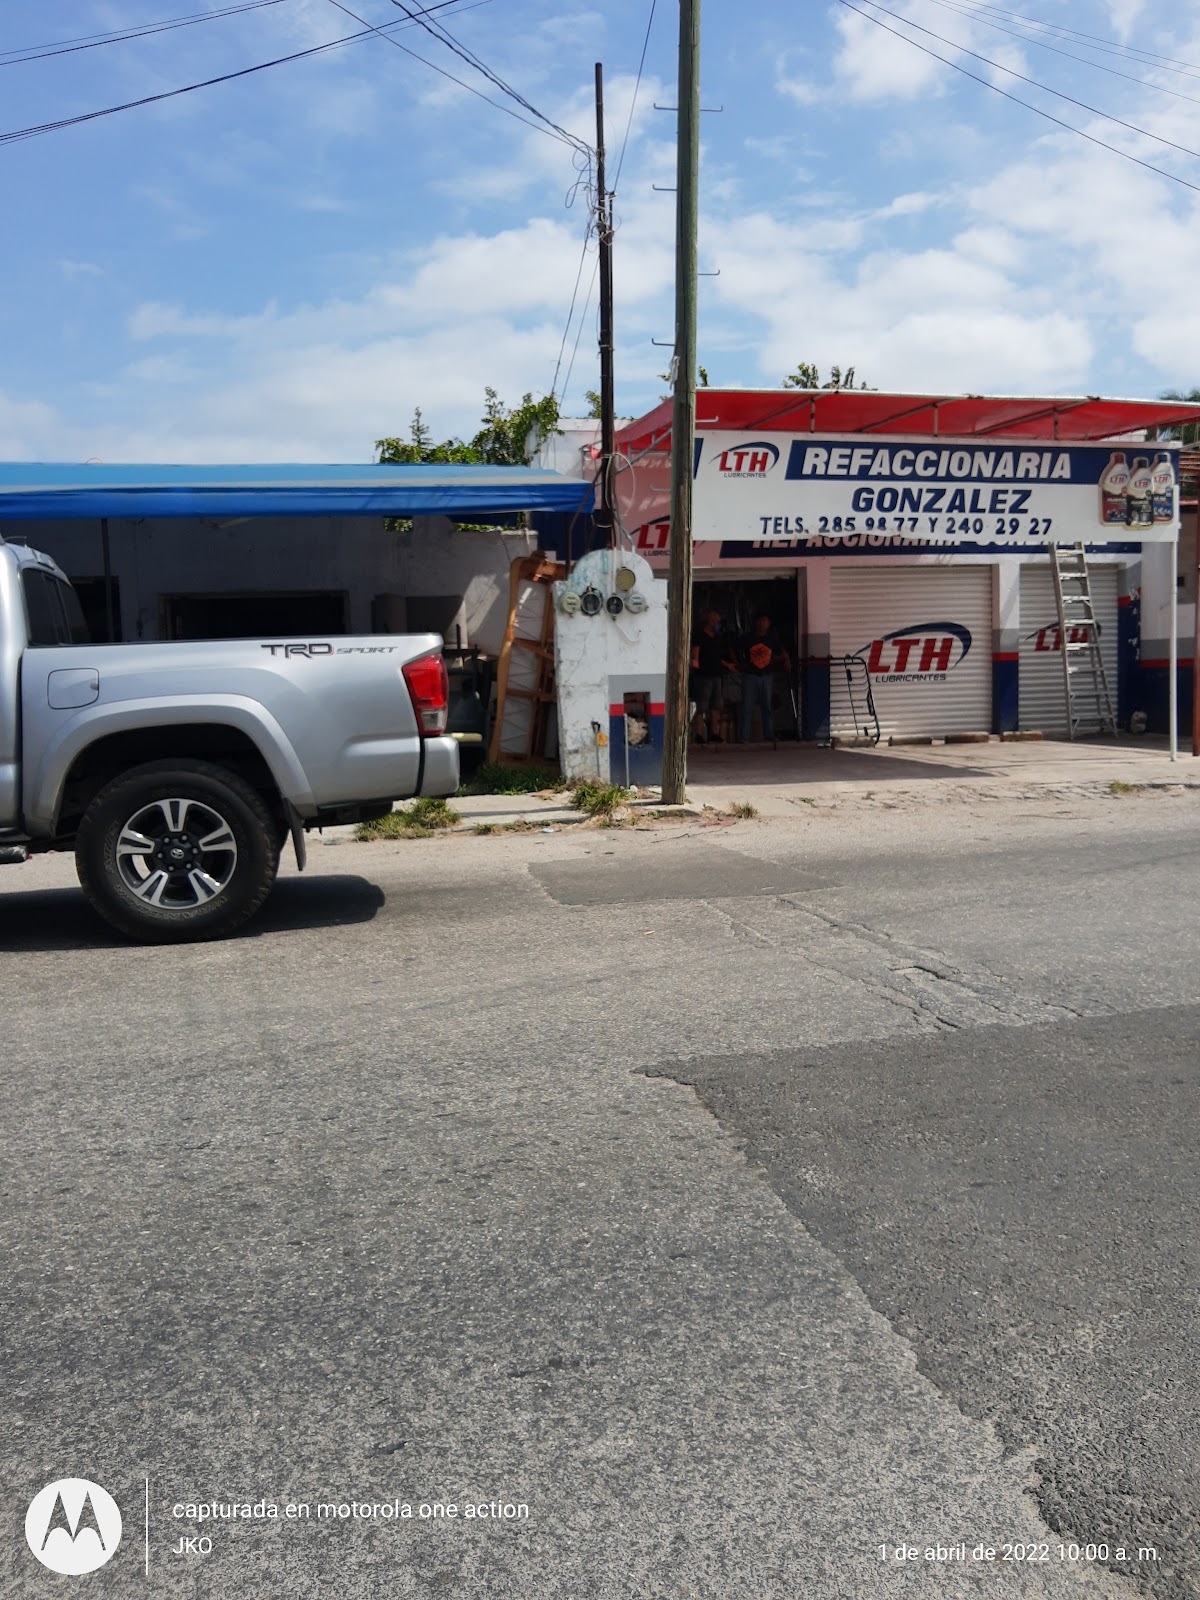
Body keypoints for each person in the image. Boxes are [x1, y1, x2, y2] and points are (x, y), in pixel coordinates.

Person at [738, 612, 790, 744]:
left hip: (766, 676)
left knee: (767, 706)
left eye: (765, 621)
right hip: (750, 675)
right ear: (756, 623)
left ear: (768, 624)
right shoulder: (748, 638)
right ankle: (744, 737)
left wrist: (785, 660)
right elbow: (735, 648)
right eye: (760, 621)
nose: (762, 624)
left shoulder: (772, 638)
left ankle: (768, 735)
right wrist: (738, 663)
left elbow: (781, 652)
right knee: (747, 707)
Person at [690, 609, 736, 743]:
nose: (718, 623)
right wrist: (694, 661)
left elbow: (716, 657)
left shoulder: (717, 638)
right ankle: (698, 734)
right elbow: (695, 652)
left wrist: (727, 665)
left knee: (716, 706)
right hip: (703, 676)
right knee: (701, 706)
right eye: (716, 621)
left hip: (717, 676)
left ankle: (714, 734)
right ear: (709, 621)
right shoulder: (699, 636)